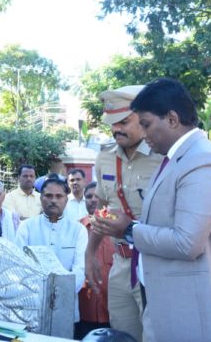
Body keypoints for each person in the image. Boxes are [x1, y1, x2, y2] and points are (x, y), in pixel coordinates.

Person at [93, 78, 211, 342]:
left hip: (187, 305)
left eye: (146, 124)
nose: (144, 134)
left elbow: (186, 243)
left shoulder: (203, 160)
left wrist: (128, 229)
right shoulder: (179, 158)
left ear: (171, 119)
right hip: (163, 295)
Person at [85, 84, 164, 342]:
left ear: (142, 119)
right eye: (112, 123)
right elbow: (103, 208)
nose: (117, 129)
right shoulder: (105, 157)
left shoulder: (162, 157)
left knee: (155, 336)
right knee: (121, 336)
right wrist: (90, 252)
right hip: (120, 264)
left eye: (124, 121)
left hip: (155, 263)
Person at [15, 177, 88, 323]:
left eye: (59, 196)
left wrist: (61, 293)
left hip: (65, 301)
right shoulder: (27, 227)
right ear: (41, 198)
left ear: (66, 200)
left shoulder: (78, 230)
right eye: (48, 196)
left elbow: (79, 269)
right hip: (31, 301)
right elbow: (19, 266)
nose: (53, 200)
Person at [76, 181, 115, 340]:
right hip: (86, 307)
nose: (93, 200)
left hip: (114, 307)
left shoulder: (118, 227)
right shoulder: (77, 228)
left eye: (97, 196)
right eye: (88, 196)